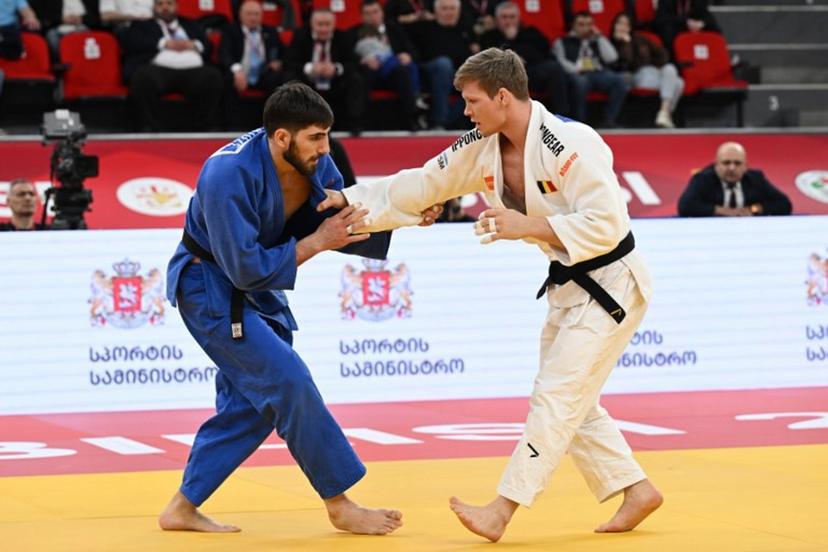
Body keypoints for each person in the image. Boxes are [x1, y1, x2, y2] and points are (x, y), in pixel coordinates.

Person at [318, 47, 663, 542]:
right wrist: (350, 199)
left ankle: (502, 509)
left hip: (611, 282)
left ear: (503, 96)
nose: (465, 111)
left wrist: (528, 224)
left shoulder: (569, 142)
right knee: (573, 400)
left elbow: (608, 223)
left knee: (557, 396)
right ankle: (634, 488)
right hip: (569, 283)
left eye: (472, 100)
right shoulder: (483, 142)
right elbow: (423, 183)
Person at [158, 82, 442, 535]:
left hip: (255, 284)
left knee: (253, 406)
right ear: (282, 138)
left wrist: (408, 215)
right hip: (210, 285)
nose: (325, 148)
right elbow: (246, 267)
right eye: (315, 137)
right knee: (288, 382)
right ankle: (339, 502)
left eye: (327, 135)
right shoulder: (225, 175)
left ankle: (182, 507)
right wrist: (315, 243)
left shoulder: (316, 162)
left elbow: (336, 219)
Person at [123, 0, 223, 131]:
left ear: (176, 7)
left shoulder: (191, 24)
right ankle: (151, 128)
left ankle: (202, 128)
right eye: (160, 4)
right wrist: (163, 43)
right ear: (154, 8)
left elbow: (207, 45)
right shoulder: (143, 26)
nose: (165, 7)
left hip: (193, 70)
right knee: (142, 78)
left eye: (169, 3)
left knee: (213, 77)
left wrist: (195, 45)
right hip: (158, 70)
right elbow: (134, 43)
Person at [479, 1, 572, 118]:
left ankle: (561, 117)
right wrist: (512, 45)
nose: (508, 21)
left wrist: (519, 54)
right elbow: (487, 60)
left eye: (512, 17)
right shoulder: (489, 36)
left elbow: (544, 53)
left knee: (554, 68)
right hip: (503, 78)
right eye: (504, 17)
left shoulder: (531, 32)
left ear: (518, 18)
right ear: (497, 19)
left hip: (531, 74)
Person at [284, 9, 367, 135]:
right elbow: (289, 62)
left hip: (335, 83)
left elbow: (354, 63)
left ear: (333, 25)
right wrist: (310, 68)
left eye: (327, 24)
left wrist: (336, 68)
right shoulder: (301, 35)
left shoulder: (343, 37)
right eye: (320, 24)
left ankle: (355, 125)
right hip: (308, 84)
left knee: (356, 79)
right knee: (289, 79)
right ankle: (294, 124)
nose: (323, 29)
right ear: (312, 24)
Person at [351, 0, 421, 131]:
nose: (372, 16)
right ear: (362, 16)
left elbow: (413, 51)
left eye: (375, 12)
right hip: (368, 72)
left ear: (382, 13)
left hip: (392, 73)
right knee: (361, 75)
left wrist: (408, 56)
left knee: (402, 71)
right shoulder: (353, 33)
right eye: (368, 13)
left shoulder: (395, 30)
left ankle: (411, 119)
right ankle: (358, 122)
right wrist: (362, 61)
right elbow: (347, 56)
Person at [554, 11, 629, 128]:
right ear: (573, 26)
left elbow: (612, 57)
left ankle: (608, 120)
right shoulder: (562, 41)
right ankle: (580, 122)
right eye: (581, 24)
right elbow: (560, 61)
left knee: (620, 80)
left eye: (589, 24)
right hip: (576, 74)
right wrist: (576, 69)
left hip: (598, 73)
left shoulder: (596, 40)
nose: (586, 28)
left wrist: (599, 36)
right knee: (580, 82)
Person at [677, 141, 793, 217]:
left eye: (737, 163)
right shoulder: (703, 179)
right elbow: (685, 206)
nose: (732, 168)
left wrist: (753, 209)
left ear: (745, 166)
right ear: (716, 164)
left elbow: (784, 203)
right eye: (726, 163)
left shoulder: (755, 179)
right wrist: (722, 211)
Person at [610, 12, 683, 129]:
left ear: (630, 27)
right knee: (678, 83)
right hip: (635, 76)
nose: (622, 27)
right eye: (620, 24)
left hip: (653, 72)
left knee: (670, 69)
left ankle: (663, 112)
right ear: (614, 25)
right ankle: (666, 114)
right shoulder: (610, 43)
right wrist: (626, 44)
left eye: (626, 25)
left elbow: (663, 55)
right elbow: (626, 65)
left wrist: (656, 62)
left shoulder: (640, 39)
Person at [219, 0, 290, 98]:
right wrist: (237, 70)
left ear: (262, 16)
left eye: (256, 14)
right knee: (226, 77)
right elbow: (224, 54)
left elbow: (285, 53)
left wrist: (279, 62)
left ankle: (272, 111)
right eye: (249, 14)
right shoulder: (231, 30)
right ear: (240, 15)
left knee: (283, 78)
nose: (253, 18)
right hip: (240, 71)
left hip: (264, 74)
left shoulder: (271, 32)